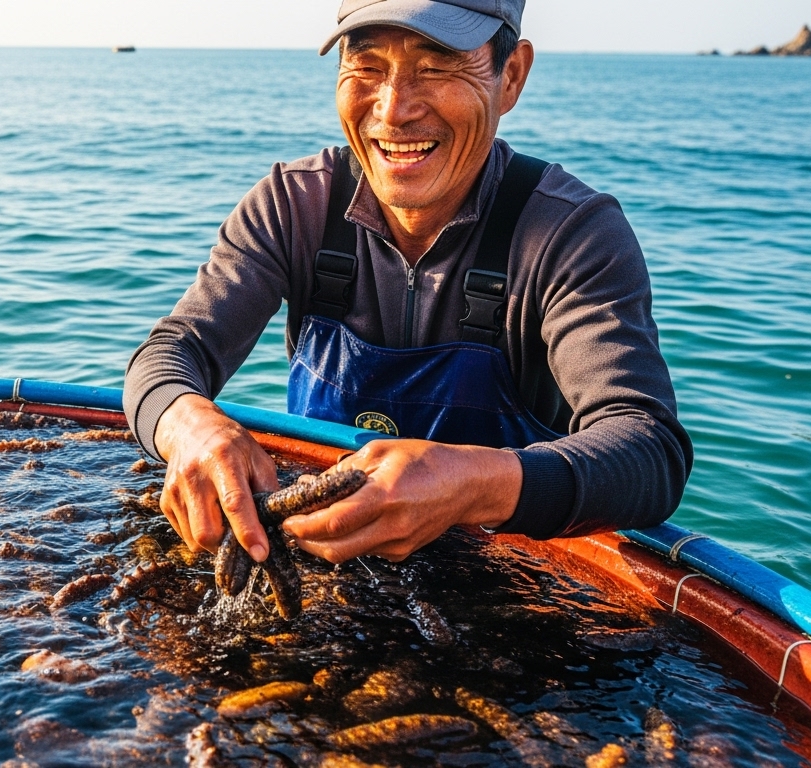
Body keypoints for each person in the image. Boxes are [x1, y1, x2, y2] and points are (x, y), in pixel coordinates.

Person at [122, 0, 692, 568]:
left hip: (507, 579)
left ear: (511, 75)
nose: (393, 110)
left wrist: (470, 483)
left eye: (437, 66)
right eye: (367, 68)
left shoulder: (571, 233)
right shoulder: (294, 204)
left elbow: (647, 449)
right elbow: (172, 353)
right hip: (325, 564)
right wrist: (191, 427)